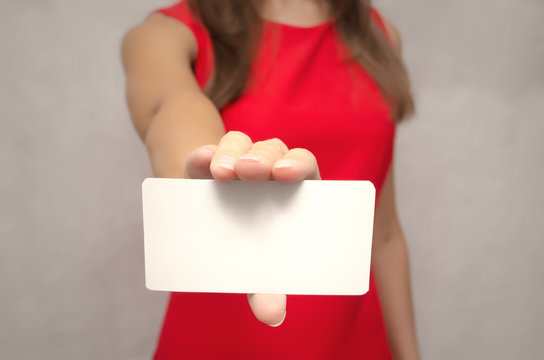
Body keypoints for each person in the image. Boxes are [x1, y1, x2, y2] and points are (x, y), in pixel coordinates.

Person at [122, 0, 420, 358]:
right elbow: (171, 105)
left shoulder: (381, 38)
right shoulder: (169, 32)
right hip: (217, 347)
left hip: (356, 345)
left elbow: (383, 234)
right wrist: (209, 168)